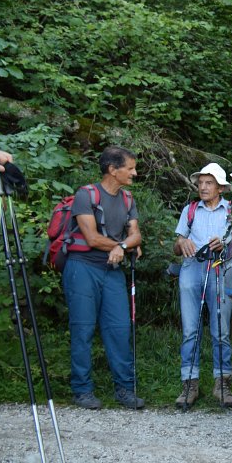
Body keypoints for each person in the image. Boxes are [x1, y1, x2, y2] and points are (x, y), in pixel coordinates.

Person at [63, 146, 144, 410]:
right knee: (83, 329)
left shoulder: (128, 199)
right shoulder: (86, 195)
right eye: (130, 168)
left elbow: (136, 236)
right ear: (112, 169)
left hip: (112, 272)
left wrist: (123, 247)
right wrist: (122, 246)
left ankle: (125, 389)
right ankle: (82, 390)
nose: (134, 173)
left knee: (120, 329)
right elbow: (91, 238)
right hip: (82, 268)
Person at [173, 162, 232, 409]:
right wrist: (182, 243)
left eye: (209, 183)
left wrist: (225, 245)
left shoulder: (231, 212)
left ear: (220, 188)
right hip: (191, 268)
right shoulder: (190, 210)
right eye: (200, 183)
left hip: (221, 268)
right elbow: (176, 246)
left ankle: (222, 383)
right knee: (190, 329)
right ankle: (189, 383)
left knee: (221, 329)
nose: (203, 187)